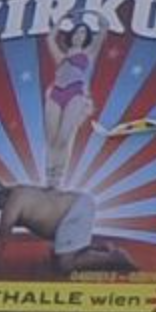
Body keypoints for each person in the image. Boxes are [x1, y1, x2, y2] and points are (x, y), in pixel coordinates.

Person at [0, 179, 136, 277]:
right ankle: (99, 249)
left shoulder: (13, 203)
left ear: (0, 198)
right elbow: (48, 192)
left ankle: (115, 257)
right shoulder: (18, 190)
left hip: (74, 212)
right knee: (56, 254)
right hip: (76, 206)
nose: (0, 211)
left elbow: (1, 237)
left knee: (66, 265)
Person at [43, 13, 108, 188]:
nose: (79, 35)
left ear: (86, 37)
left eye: (83, 33)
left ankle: (58, 177)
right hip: (56, 93)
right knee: (52, 139)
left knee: (64, 138)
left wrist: (95, 14)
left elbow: (103, 29)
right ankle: (49, 177)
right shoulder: (61, 57)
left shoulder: (89, 53)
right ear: (71, 35)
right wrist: (60, 19)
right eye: (77, 32)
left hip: (75, 94)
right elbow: (50, 39)